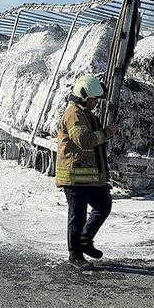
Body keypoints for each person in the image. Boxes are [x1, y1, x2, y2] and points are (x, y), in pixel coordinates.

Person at [56, 74, 119, 269]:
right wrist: (108, 132)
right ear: (83, 96)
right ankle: (75, 254)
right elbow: (83, 140)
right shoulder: (74, 114)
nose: (95, 102)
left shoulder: (85, 113)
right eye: (93, 99)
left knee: (103, 204)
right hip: (74, 176)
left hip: (88, 176)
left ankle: (84, 240)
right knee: (78, 214)